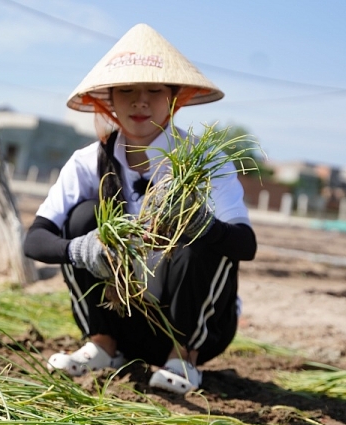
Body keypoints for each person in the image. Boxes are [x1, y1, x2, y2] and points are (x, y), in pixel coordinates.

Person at [23, 23, 257, 394]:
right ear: (109, 100)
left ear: (174, 98)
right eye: (127, 90)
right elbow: (35, 240)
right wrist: (80, 248)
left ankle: (184, 360)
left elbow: (246, 244)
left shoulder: (207, 161)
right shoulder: (89, 161)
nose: (140, 101)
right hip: (123, 318)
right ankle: (102, 346)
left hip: (198, 326)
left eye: (154, 90)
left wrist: (202, 225)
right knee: (84, 216)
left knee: (207, 234)